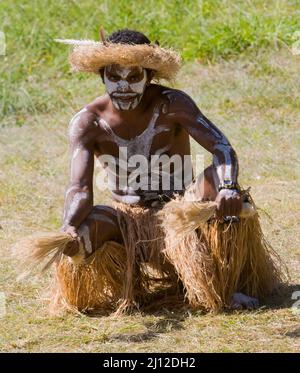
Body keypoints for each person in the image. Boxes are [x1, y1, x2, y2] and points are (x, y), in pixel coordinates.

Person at [53, 29, 281, 313]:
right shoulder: (88, 122)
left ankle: (224, 284)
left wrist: (228, 187)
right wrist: (69, 227)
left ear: (149, 76)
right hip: (127, 221)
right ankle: (125, 291)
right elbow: (80, 188)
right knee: (85, 231)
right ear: (102, 76)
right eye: (114, 76)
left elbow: (222, 147)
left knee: (217, 181)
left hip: (183, 213)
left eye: (134, 77)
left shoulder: (172, 105)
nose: (123, 86)